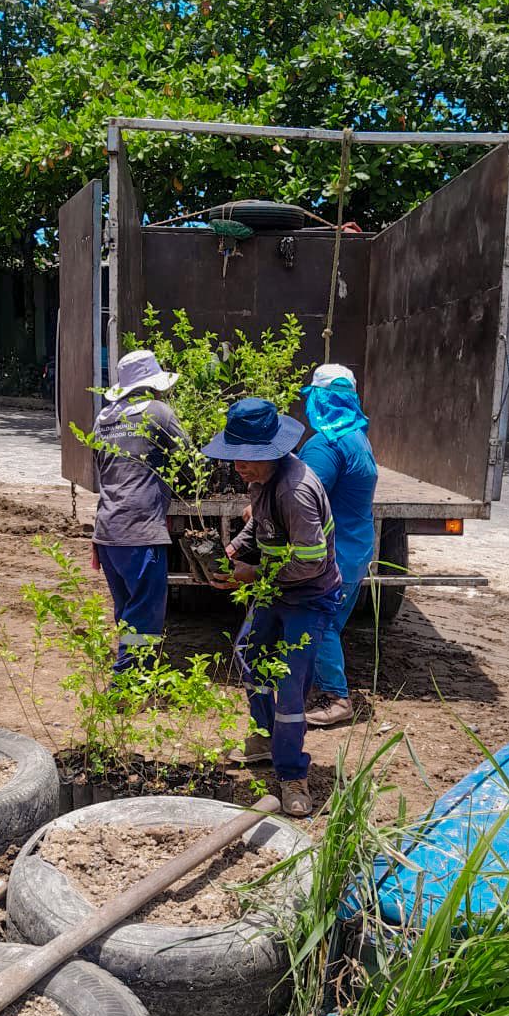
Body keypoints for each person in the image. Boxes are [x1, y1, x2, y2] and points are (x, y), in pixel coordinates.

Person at [203, 397, 342, 819]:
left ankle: (292, 773)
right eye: (236, 457)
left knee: (291, 684)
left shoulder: (296, 490)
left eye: (247, 459)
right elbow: (258, 525)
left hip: (308, 594)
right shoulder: (261, 479)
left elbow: (311, 561)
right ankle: (265, 738)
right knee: (250, 655)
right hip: (276, 589)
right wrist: (235, 549)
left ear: (273, 453)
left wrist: (254, 576)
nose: (238, 466)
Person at [92, 348, 190, 670]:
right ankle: (126, 687)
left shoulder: (104, 419)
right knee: (144, 615)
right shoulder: (158, 413)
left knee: (127, 611)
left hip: (107, 533)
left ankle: (141, 679)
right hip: (140, 533)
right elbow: (189, 459)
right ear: (152, 384)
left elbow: (104, 474)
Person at [298, 364, 378, 727]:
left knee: (319, 621)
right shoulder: (358, 436)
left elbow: (301, 498)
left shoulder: (326, 444)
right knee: (331, 621)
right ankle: (319, 685)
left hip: (334, 552)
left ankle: (335, 697)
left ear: (318, 399)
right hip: (356, 546)